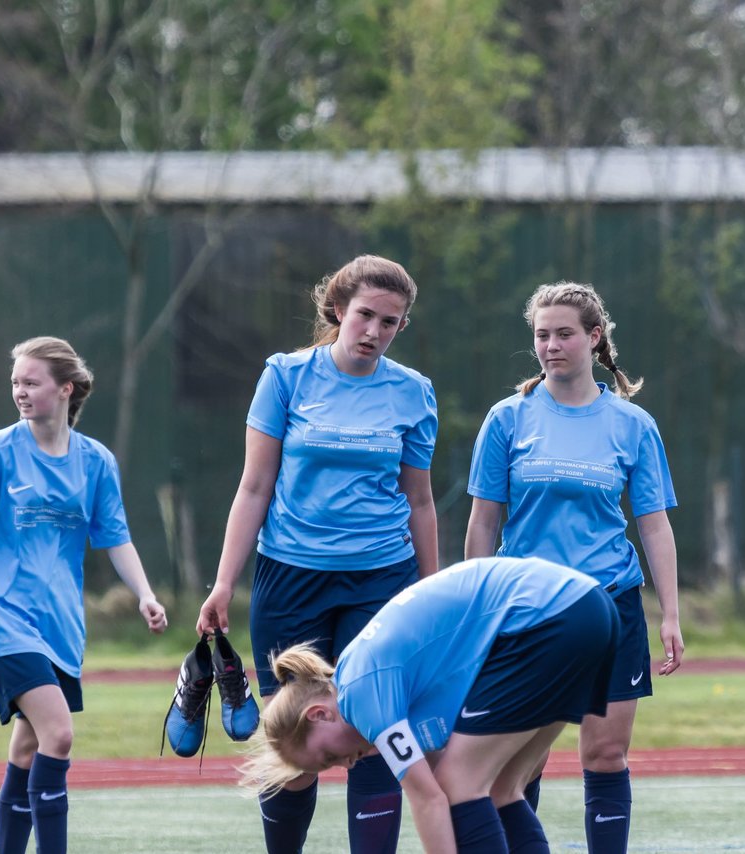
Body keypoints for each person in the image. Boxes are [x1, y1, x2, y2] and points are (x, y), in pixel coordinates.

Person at [197, 254, 438, 854]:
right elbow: (254, 487)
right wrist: (224, 583)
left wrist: (431, 594)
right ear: (337, 309)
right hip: (290, 578)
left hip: (382, 580)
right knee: (293, 737)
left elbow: (421, 502)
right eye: (365, 315)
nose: (375, 332)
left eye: (390, 322)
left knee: (376, 727)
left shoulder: (414, 393)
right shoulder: (285, 376)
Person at [464, 281, 684, 854]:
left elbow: (654, 526)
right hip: (525, 609)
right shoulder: (507, 419)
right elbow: (484, 522)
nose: (551, 345)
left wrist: (670, 616)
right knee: (517, 764)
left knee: (605, 754)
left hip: (611, 606)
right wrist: (473, 608)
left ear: (594, 337)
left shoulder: (633, 425)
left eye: (564, 334)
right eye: (541, 335)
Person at [0, 336, 168, 854]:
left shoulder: (97, 462)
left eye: (31, 382)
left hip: (60, 624)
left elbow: (115, 538)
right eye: (15, 381)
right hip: (2, 618)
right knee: (57, 733)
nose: (20, 391)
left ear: (67, 389)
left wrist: (145, 594)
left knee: (30, 745)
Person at [243, 556, 619, 854]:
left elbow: (430, 800)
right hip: (590, 606)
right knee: (501, 789)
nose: (346, 765)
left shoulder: (360, 695)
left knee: (461, 785)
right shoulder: (369, 677)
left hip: (548, 619)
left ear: (319, 714)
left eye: (328, 757)